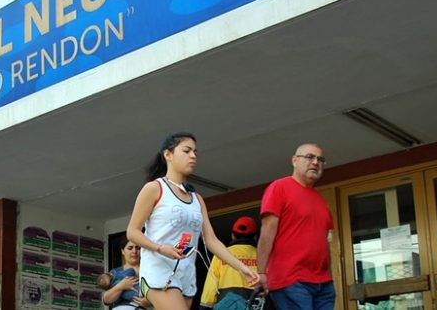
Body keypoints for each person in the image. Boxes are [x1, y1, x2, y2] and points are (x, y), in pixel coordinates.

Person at [127, 132, 260, 310]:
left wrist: (240, 267)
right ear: (168, 155)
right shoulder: (154, 188)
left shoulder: (197, 199)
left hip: (186, 275)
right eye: (187, 151)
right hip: (158, 269)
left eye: (195, 152)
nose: (193, 156)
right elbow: (132, 232)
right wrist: (160, 248)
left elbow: (211, 240)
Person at [256, 143, 335, 309]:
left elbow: (325, 243)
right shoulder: (279, 188)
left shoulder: (321, 201)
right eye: (309, 157)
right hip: (292, 280)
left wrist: (331, 277)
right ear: (294, 160)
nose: (315, 162)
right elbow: (267, 232)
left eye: (320, 159)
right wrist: (262, 272)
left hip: (324, 284)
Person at [199, 216, 260, 309]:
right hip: (256, 304)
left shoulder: (221, 254)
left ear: (232, 235)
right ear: (255, 237)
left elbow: (211, 284)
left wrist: (205, 306)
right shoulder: (262, 256)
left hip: (227, 304)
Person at [101, 236, 151, 309]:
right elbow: (106, 300)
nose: (134, 251)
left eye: (138, 248)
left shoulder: (150, 271)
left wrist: (150, 302)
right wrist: (121, 286)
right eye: (130, 248)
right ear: (123, 251)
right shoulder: (115, 273)